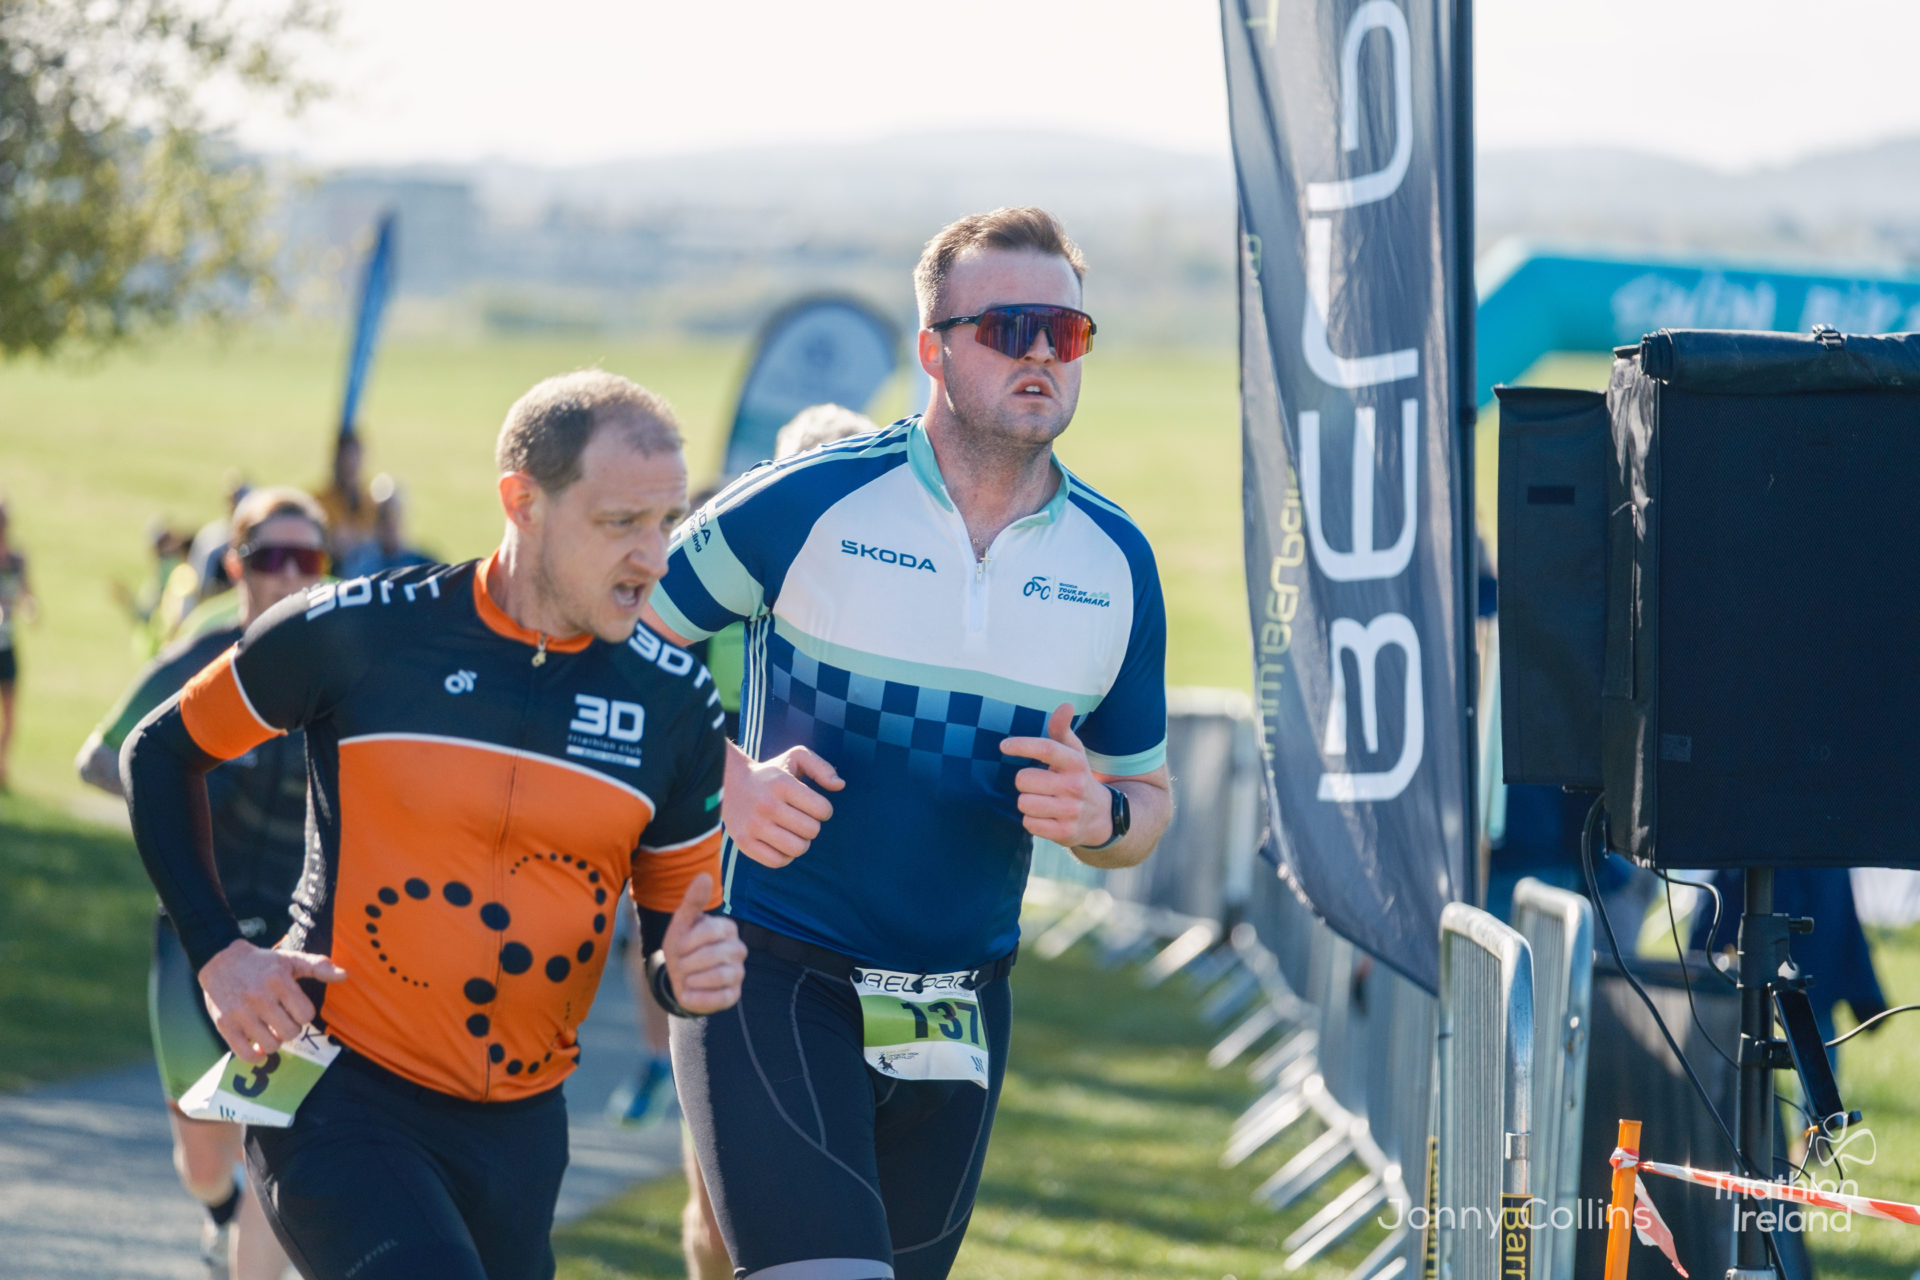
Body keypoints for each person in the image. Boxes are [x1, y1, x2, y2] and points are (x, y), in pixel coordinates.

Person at [121, 370, 748, 1280]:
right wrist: (219, 953)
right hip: (340, 1095)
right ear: (522, 502)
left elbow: (671, 940)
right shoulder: (363, 633)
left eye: (666, 522)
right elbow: (160, 751)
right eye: (621, 523)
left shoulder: (675, 699)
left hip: (522, 1135)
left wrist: (687, 974)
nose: (653, 558)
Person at [645, 207, 1173, 1279]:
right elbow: (616, 641)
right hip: (772, 966)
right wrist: (722, 778)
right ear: (933, 350)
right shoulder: (810, 498)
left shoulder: (1117, 561)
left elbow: (1146, 803)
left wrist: (1101, 814)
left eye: (1065, 332)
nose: (1041, 353)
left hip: (960, 1001)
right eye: (1010, 328)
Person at [77, 487, 331, 1279]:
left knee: (273, 1142)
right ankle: (218, 1214)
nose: (289, 574)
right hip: (197, 933)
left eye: (307, 558)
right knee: (204, 1162)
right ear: (236, 566)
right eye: (270, 556)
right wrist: (184, 795)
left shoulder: (345, 668)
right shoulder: (199, 661)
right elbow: (99, 756)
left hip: (298, 939)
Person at [0, 500, 38, 791]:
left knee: (10, 713)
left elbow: (28, 597)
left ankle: (1, 765)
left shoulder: (16, 561)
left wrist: (30, 609)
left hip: (7, 644)